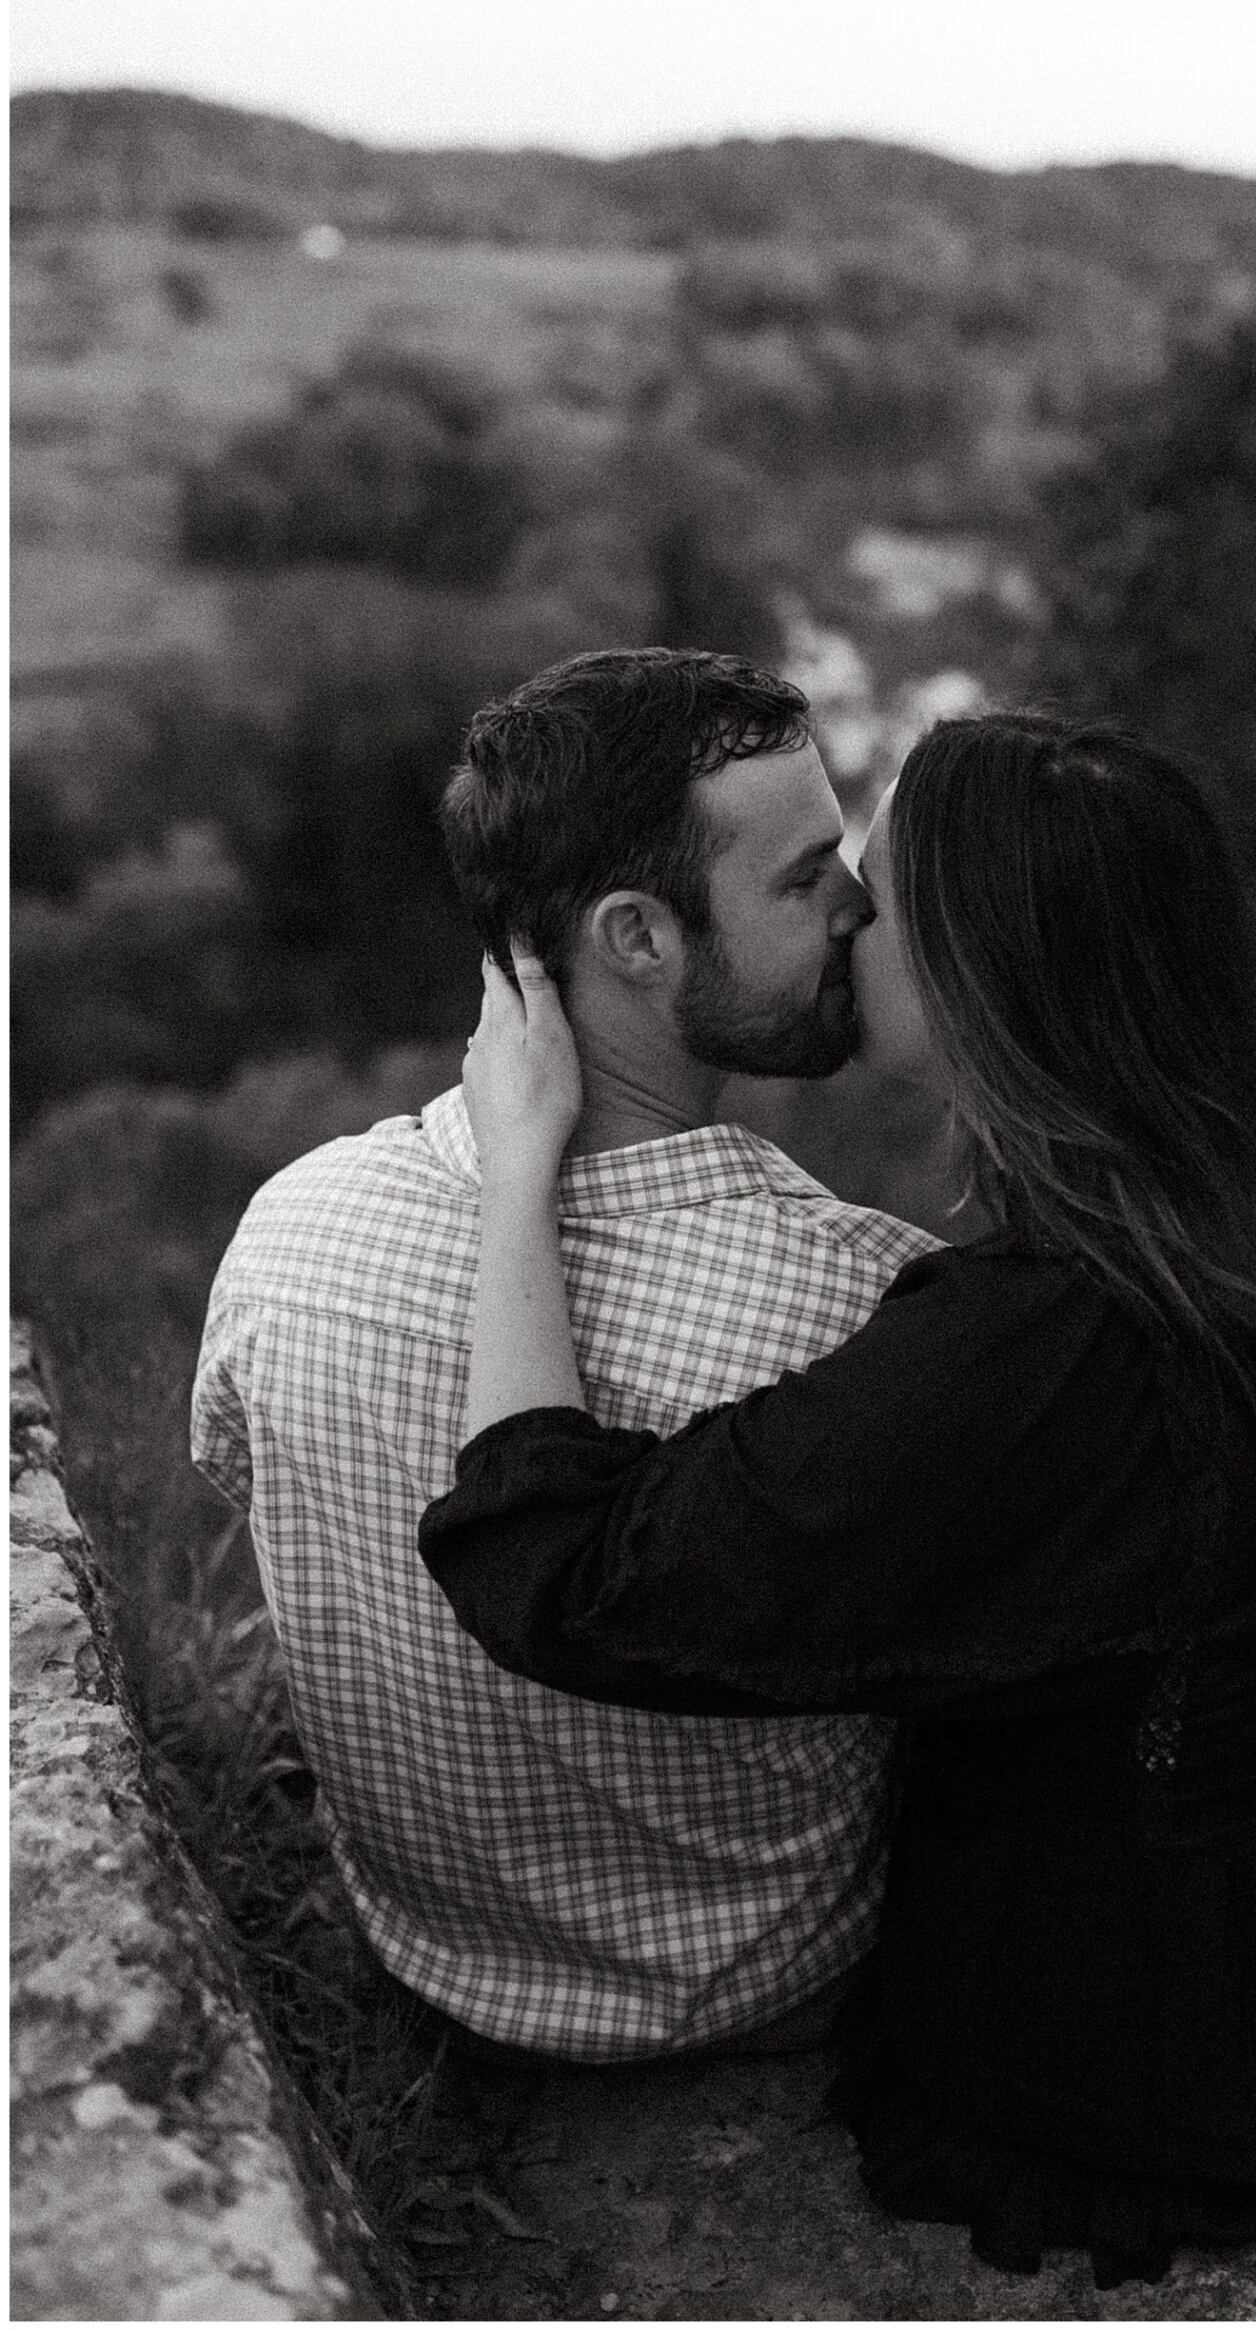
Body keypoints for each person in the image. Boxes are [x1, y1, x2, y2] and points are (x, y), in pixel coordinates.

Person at [422, 709, 1256, 2284]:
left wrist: (516, 1174)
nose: (841, 923)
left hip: (1186, 2026)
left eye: (874, 898)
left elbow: (564, 1580)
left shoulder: (1028, 1348)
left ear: (975, 980)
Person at [192, 646, 942, 2066]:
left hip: (437, 1966)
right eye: (800, 878)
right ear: (638, 940)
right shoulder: (863, 1306)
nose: (856, 906)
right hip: (769, 1988)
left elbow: (254, 1501)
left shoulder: (288, 1241)